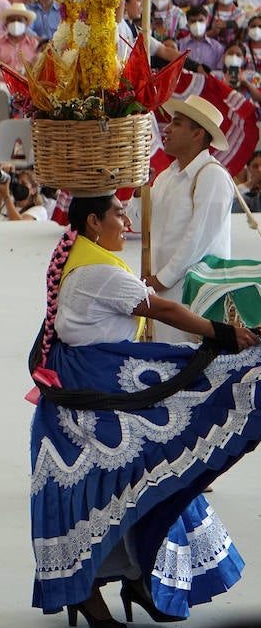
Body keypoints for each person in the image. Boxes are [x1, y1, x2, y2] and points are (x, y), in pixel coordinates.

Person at [28, 194, 261, 625]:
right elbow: (165, 308)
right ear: (95, 221)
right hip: (97, 393)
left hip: (92, 384)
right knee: (145, 473)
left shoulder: (83, 258)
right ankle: (96, 589)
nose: (127, 219)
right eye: (119, 213)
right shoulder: (98, 271)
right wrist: (226, 334)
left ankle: (139, 578)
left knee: (146, 478)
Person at [125, 97, 236, 345]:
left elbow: (198, 240)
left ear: (198, 134)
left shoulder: (213, 176)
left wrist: (162, 278)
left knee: (191, 363)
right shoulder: (167, 176)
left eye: (176, 124)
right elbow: (135, 221)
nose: (166, 129)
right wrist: (137, 190)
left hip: (194, 293)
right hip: (164, 292)